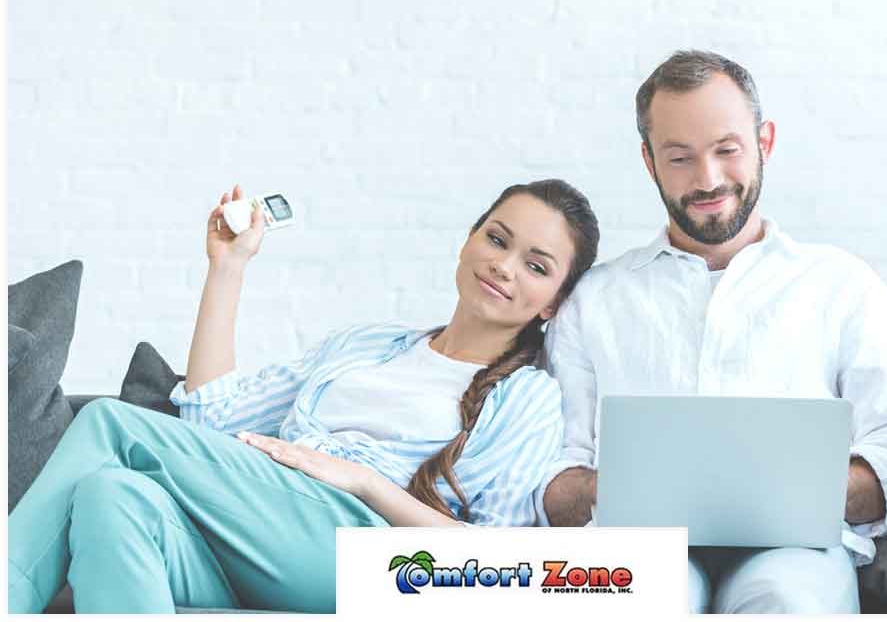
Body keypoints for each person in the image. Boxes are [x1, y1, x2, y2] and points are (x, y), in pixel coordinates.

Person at [9, 179, 600, 614]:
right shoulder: (365, 345)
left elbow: (495, 562)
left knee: (114, 424)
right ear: (468, 241)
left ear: (551, 303)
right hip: (269, 532)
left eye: (537, 265)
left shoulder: (528, 396)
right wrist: (228, 268)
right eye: (496, 239)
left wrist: (366, 481)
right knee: (112, 496)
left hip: (370, 557)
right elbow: (210, 418)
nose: (503, 265)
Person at [534, 50, 887, 614]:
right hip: (637, 548)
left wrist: (784, 490)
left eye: (727, 150)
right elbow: (552, 468)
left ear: (764, 143)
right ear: (648, 161)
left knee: (786, 600)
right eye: (680, 158)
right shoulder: (595, 300)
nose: (709, 179)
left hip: (798, 549)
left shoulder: (842, 284)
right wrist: (625, 490)